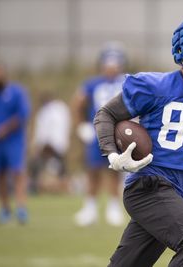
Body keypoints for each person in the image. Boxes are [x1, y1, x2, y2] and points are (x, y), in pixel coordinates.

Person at [94, 15, 183, 267]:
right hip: (149, 186)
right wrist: (112, 154)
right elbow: (105, 114)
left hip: (181, 193)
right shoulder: (155, 86)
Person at [73, 41, 127, 227]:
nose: (111, 67)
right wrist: (81, 126)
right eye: (108, 63)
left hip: (118, 132)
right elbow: (77, 104)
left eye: (114, 63)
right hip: (97, 132)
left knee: (115, 170)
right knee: (93, 171)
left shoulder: (127, 82)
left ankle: (113, 207)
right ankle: (90, 208)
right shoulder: (92, 83)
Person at [0, 63, 31, 224]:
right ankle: (4, 209)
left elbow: (23, 115)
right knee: (0, 175)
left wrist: (3, 130)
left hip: (13, 141)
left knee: (17, 173)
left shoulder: (16, 92)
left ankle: (21, 208)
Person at [29, 93, 71, 194]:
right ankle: (36, 187)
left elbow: (61, 127)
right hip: (49, 145)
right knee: (38, 166)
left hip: (56, 144)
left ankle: (64, 188)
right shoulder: (45, 111)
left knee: (61, 169)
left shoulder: (59, 109)